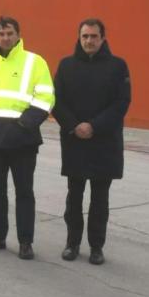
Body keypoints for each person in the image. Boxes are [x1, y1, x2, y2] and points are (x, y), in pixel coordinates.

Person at [0, 16, 54, 260]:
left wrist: (23, 125)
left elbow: (45, 97)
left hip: (23, 140)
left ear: (18, 35)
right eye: (1, 34)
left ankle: (25, 242)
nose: (5, 38)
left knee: (24, 192)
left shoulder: (35, 62)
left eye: (10, 33)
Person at [53, 18, 131, 265]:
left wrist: (93, 126)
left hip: (104, 142)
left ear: (103, 38)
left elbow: (121, 102)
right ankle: (72, 244)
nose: (89, 41)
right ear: (79, 38)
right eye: (85, 36)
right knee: (74, 197)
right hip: (74, 141)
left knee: (100, 199)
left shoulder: (118, 66)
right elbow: (57, 100)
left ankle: (97, 247)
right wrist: (74, 125)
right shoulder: (66, 66)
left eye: (94, 36)